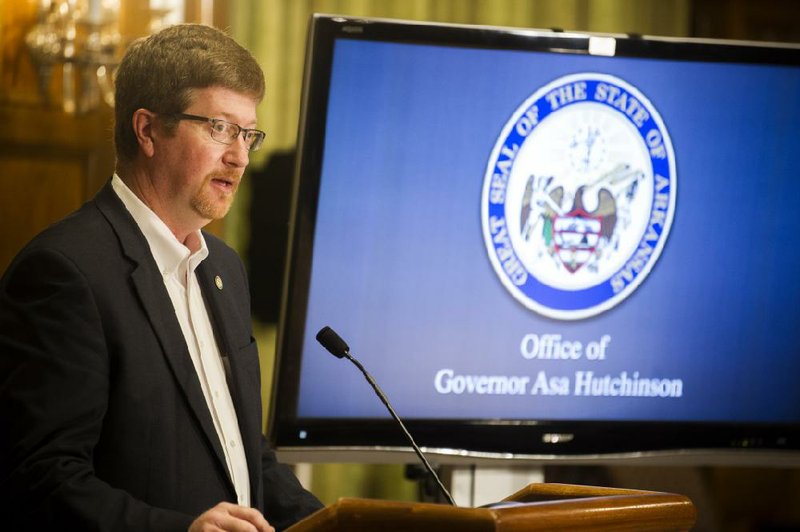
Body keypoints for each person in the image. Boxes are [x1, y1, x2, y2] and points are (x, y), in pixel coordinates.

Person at [0, 24, 323, 531]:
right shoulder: (66, 273)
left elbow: (245, 454)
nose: (238, 155)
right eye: (219, 127)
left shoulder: (224, 269)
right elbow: (40, 478)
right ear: (147, 130)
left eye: (247, 133)